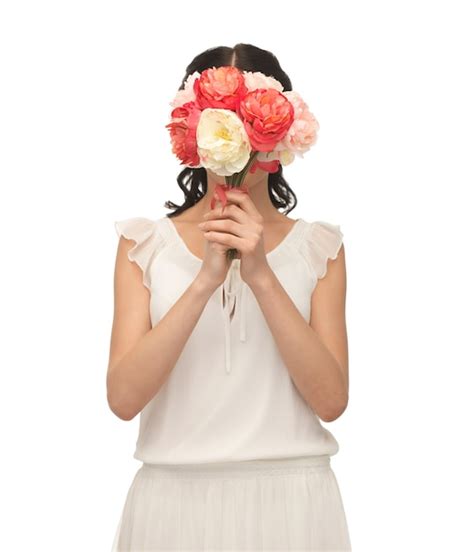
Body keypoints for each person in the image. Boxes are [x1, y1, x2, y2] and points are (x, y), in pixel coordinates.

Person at [108, 43, 352, 551]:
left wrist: (261, 274)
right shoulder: (143, 247)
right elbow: (123, 399)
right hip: (173, 505)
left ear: (279, 130)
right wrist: (203, 282)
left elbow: (331, 401)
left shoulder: (319, 248)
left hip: (293, 505)